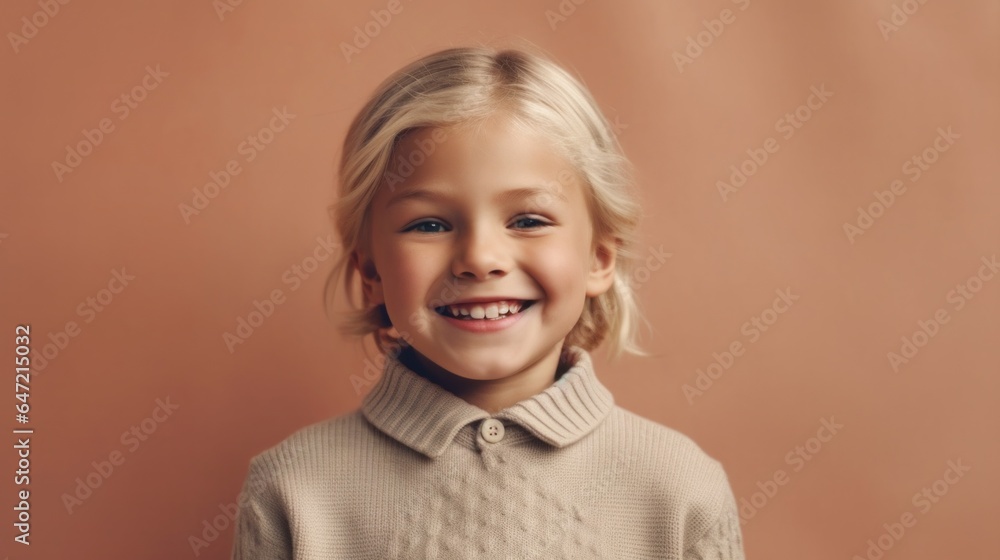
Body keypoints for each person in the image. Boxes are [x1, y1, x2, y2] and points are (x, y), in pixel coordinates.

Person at [231, 42, 745, 559]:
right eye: (429, 224)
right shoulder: (292, 490)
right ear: (371, 270)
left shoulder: (679, 490)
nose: (479, 258)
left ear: (599, 258)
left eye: (527, 221)